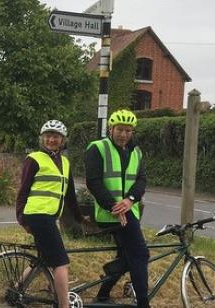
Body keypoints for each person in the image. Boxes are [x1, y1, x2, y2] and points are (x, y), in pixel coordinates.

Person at [16, 119, 86, 308]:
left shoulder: (65, 162)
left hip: (49, 217)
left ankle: (15, 291)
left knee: (44, 260)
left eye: (56, 136)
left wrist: (80, 218)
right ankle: (64, 305)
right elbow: (23, 190)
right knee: (61, 263)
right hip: (38, 215)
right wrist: (21, 218)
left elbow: (70, 194)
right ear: (42, 138)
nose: (51, 140)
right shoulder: (34, 159)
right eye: (48, 136)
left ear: (63, 140)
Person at [85, 109, 149, 307]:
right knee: (140, 255)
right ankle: (143, 303)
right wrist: (115, 207)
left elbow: (141, 180)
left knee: (126, 255)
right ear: (110, 129)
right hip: (108, 212)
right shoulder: (97, 148)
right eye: (120, 130)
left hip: (130, 211)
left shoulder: (136, 151)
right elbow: (93, 182)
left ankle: (103, 295)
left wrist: (130, 199)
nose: (124, 134)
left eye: (129, 131)